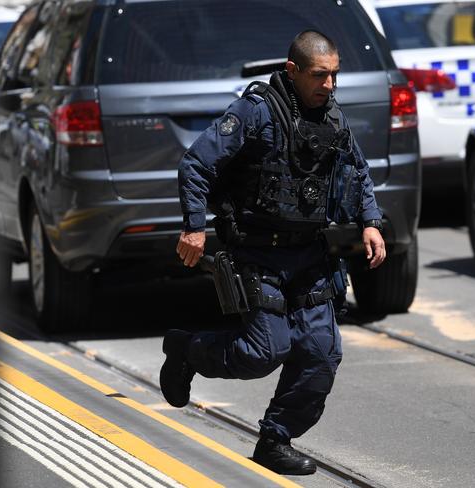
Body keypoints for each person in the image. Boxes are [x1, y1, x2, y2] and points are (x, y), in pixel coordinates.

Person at [160, 30, 386, 476]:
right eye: (320, 75)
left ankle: (274, 440)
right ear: (293, 71)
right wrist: (194, 227)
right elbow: (196, 165)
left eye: (334, 76)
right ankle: (187, 351)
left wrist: (371, 223)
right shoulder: (255, 111)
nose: (329, 85)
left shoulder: (332, 118)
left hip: (310, 257)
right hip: (257, 254)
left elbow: (356, 172)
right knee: (262, 353)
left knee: (321, 353)